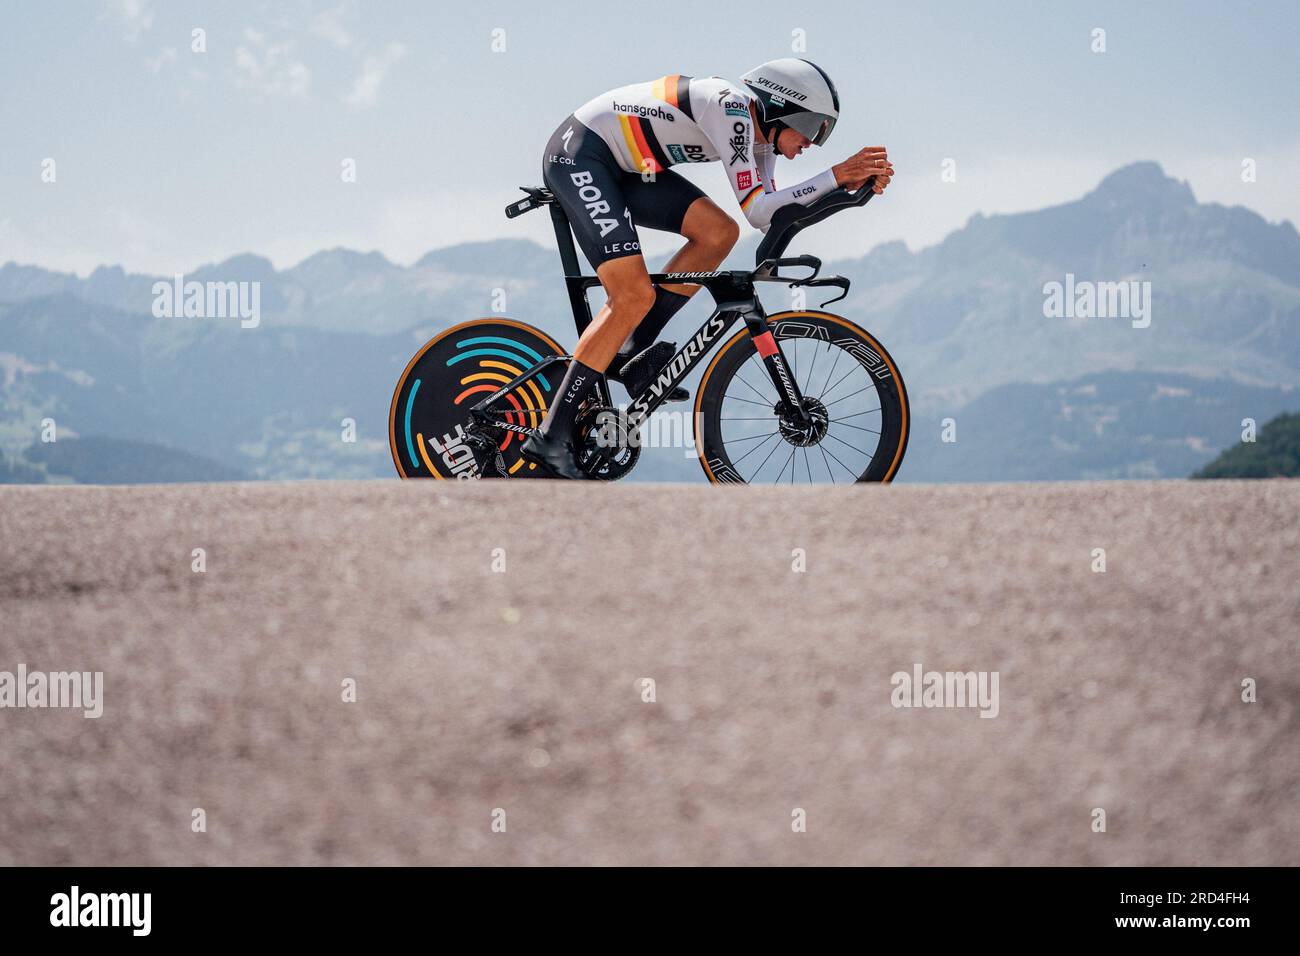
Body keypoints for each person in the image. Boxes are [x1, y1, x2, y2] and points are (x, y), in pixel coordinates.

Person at [520, 58, 894, 478]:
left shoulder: (760, 138)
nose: (813, 141)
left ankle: (628, 352)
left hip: (627, 169)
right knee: (631, 294)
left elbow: (767, 214)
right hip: (581, 156)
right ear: (780, 108)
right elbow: (762, 209)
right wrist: (836, 174)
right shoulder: (732, 110)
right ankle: (550, 436)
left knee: (718, 234)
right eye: (811, 127)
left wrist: (846, 189)